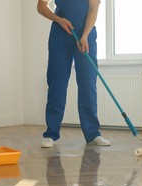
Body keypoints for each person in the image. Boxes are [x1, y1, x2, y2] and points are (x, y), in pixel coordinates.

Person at [37, 0, 110, 148]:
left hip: (86, 33)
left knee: (88, 83)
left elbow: (93, 9)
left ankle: (93, 133)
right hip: (60, 33)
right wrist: (58, 19)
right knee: (57, 82)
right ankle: (51, 133)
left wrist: (85, 35)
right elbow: (41, 6)